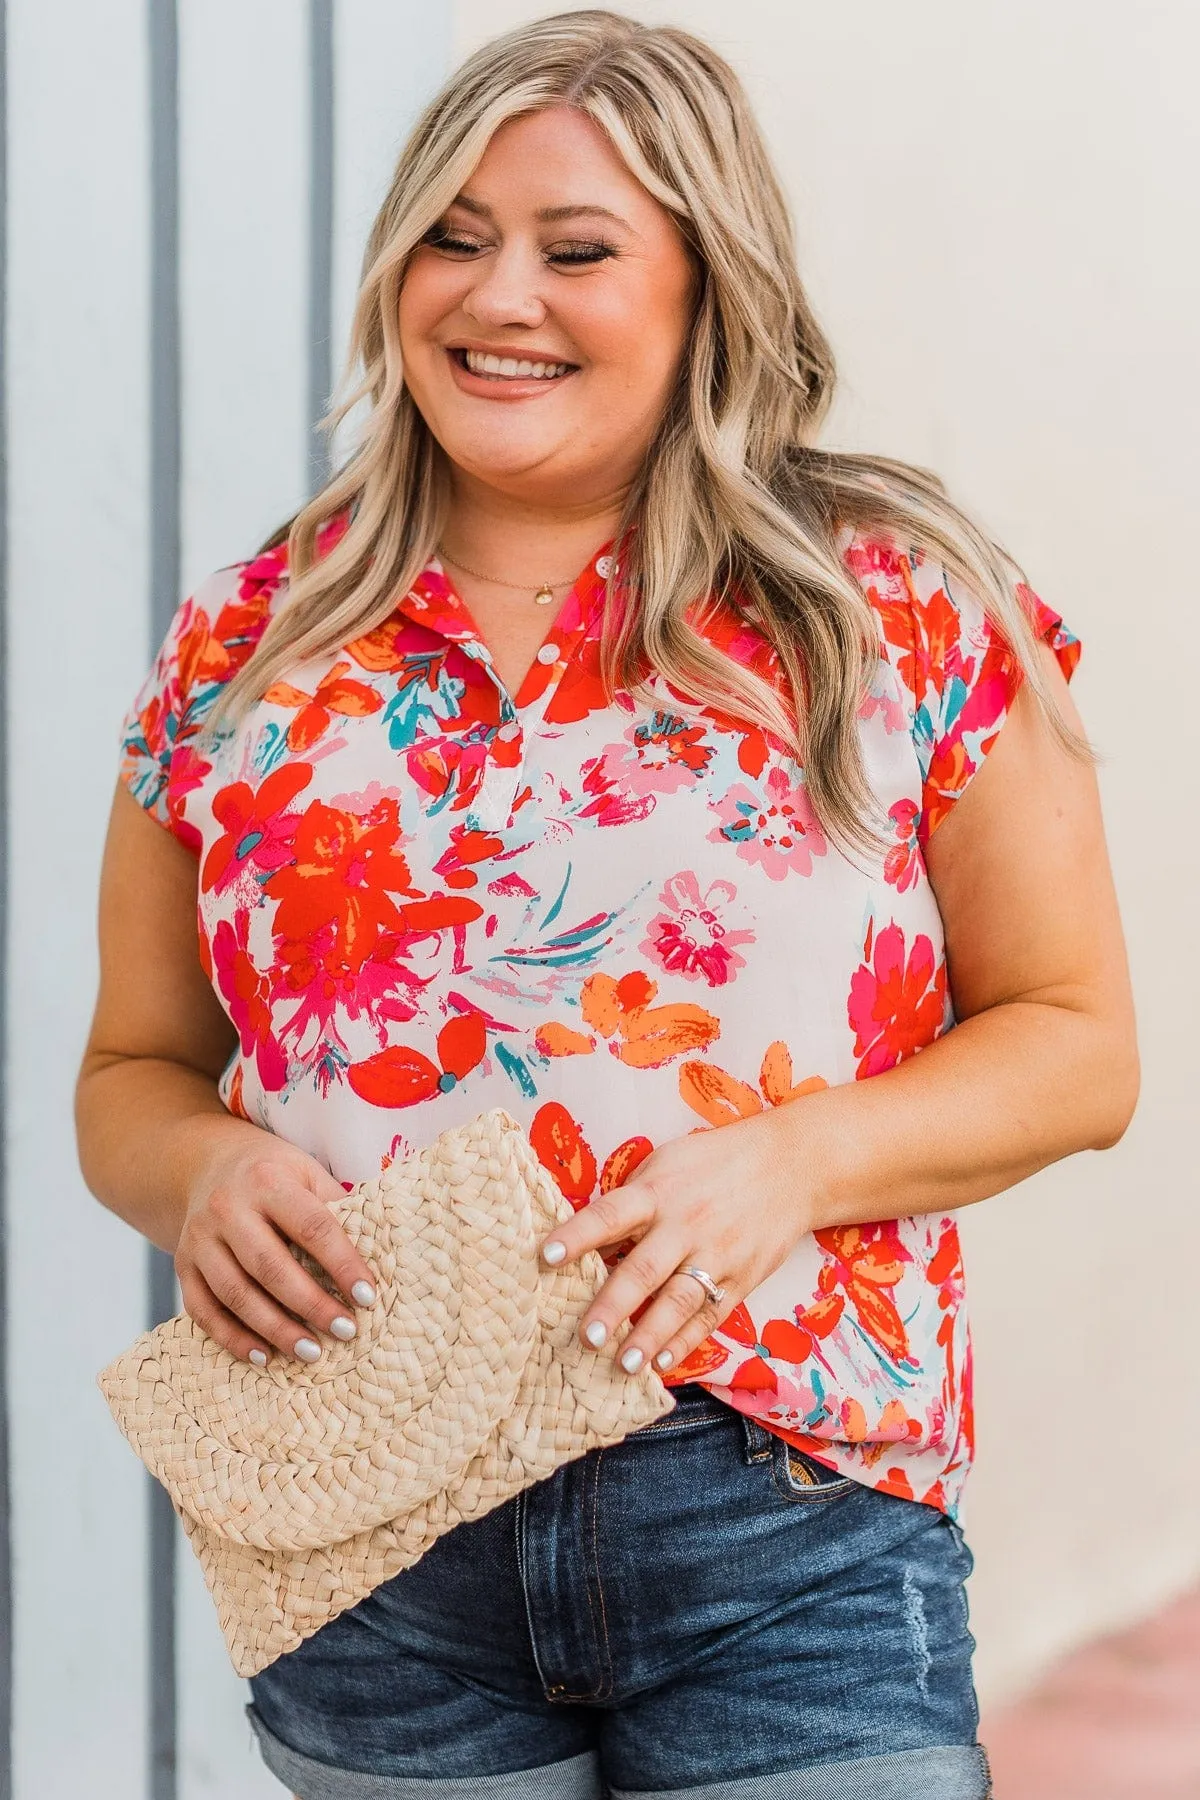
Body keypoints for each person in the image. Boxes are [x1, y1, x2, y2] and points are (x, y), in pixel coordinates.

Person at [75, 11, 1138, 1799]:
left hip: (782, 1520)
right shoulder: (251, 639)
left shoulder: (896, 610)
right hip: (371, 1533)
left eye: (578, 249)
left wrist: (796, 1161)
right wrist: (201, 1174)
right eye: (454, 236)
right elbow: (131, 1072)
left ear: (707, 289)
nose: (501, 297)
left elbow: (1078, 1046)